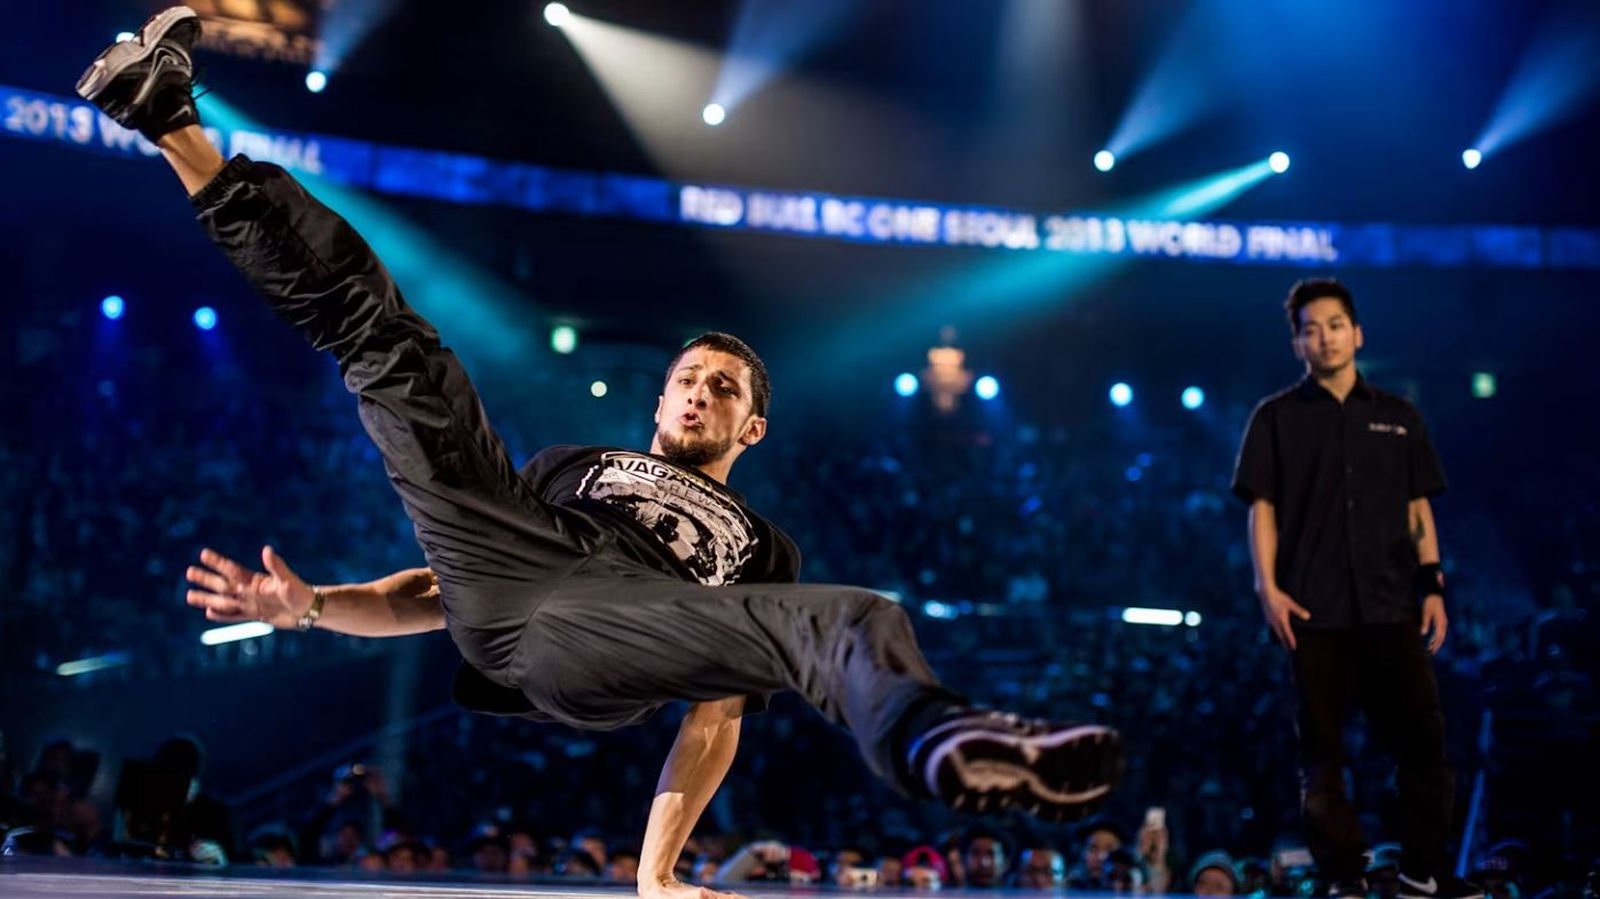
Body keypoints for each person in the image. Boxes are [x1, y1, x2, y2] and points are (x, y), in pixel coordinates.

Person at [76, 9, 1123, 898]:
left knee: (859, 613)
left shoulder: (761, 543)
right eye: (687, 376)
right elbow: (435, 588)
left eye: (725, 386)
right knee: (396, 345)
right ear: (659, 396)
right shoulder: (576, 461)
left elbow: (712, 722)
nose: (700, 389)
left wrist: (654, 870)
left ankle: (939, 737)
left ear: (751, 427)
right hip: (517, 566)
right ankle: (170, 119)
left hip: (612, 632)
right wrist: (310, 606)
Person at [1232, 278, 1479, 899]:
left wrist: (1433, 587)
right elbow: (1262, 507)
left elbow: (1418, 507)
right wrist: (1269, 589)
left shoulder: (1399, 416)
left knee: (1424, 744)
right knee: (1323, 753)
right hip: (1314, 608)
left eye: (1336, 324)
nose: (1325, 337)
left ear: (1357, 332)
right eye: (1311, 328)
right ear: (1297, 344)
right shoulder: (1276, 418)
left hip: (1393, 603)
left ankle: (1423, 875)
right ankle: (1344, 878)